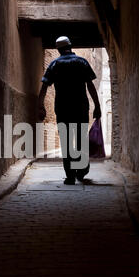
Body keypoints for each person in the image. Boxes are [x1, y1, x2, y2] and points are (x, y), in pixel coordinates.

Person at [38, 36, 101, 185]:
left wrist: (40, 106)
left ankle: (70, 176)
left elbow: (44, 87)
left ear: (58, 50)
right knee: (80, 139)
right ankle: (81, 170)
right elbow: (90, 86)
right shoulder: (82, 62)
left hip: (63, 109)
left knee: (66, 142)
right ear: (71, 47)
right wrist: (97, 105)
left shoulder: (54, 65)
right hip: (81, 108)